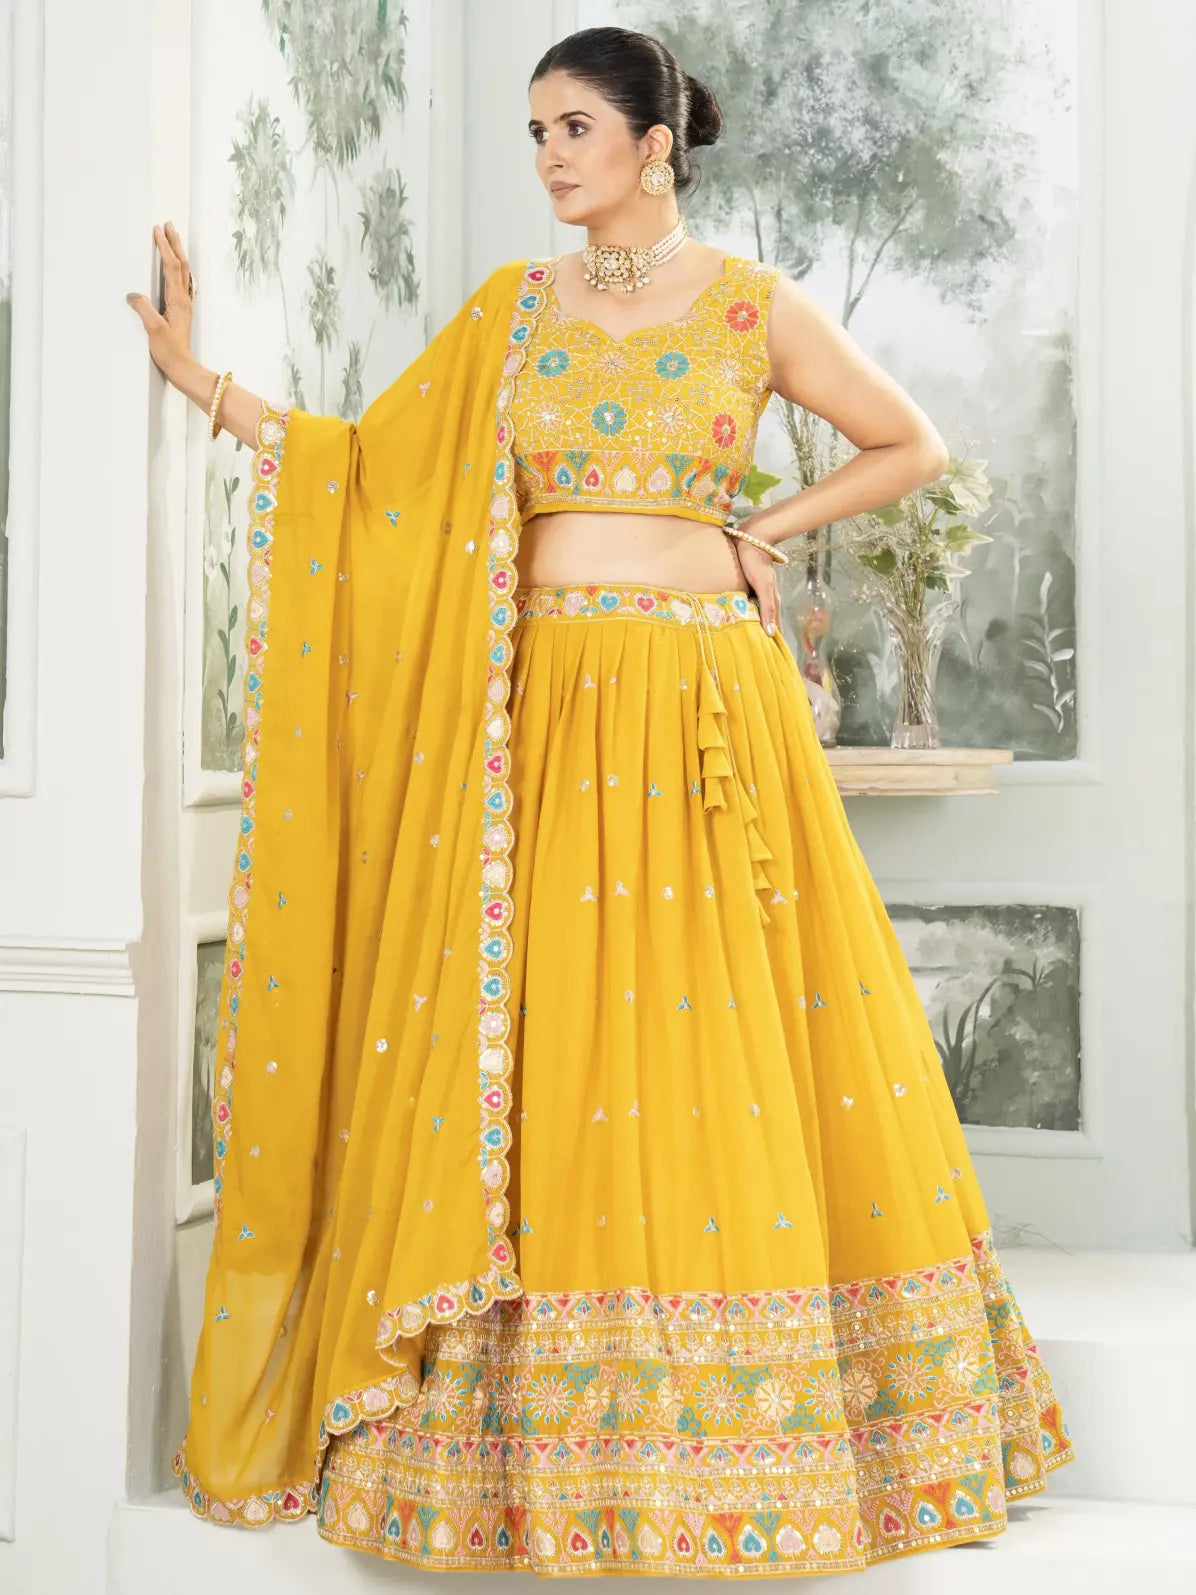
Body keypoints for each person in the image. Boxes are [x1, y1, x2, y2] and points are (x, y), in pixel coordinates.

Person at [128, 23, 1074, 1580]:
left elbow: (910, 444)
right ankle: (546, 1436)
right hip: (548, 718)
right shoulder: (512, 310)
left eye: (576, 128)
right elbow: (377, 476)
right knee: (558, 1052)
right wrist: (208, 385)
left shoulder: (757, 308)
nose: (553, 157)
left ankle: (768, 1431)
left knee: (714, 1042)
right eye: (536, 134)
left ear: (656, 144)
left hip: (707, 707)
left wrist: (768, 522)